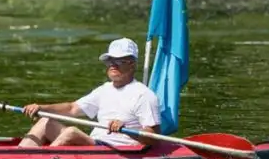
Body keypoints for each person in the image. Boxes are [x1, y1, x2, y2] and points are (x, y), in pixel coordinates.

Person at [17, 37, 161, 147]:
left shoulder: (144, 95)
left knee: (72, 132)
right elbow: (72, 108)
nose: (113, 66)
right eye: (110, 61)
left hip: (116, 149)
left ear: (132, 65)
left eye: (119, 61)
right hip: (95, 143)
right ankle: (16, 158)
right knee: (45, 122)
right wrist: (41, 108)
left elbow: (154, 137)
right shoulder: (104, 90)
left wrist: (126, 128)